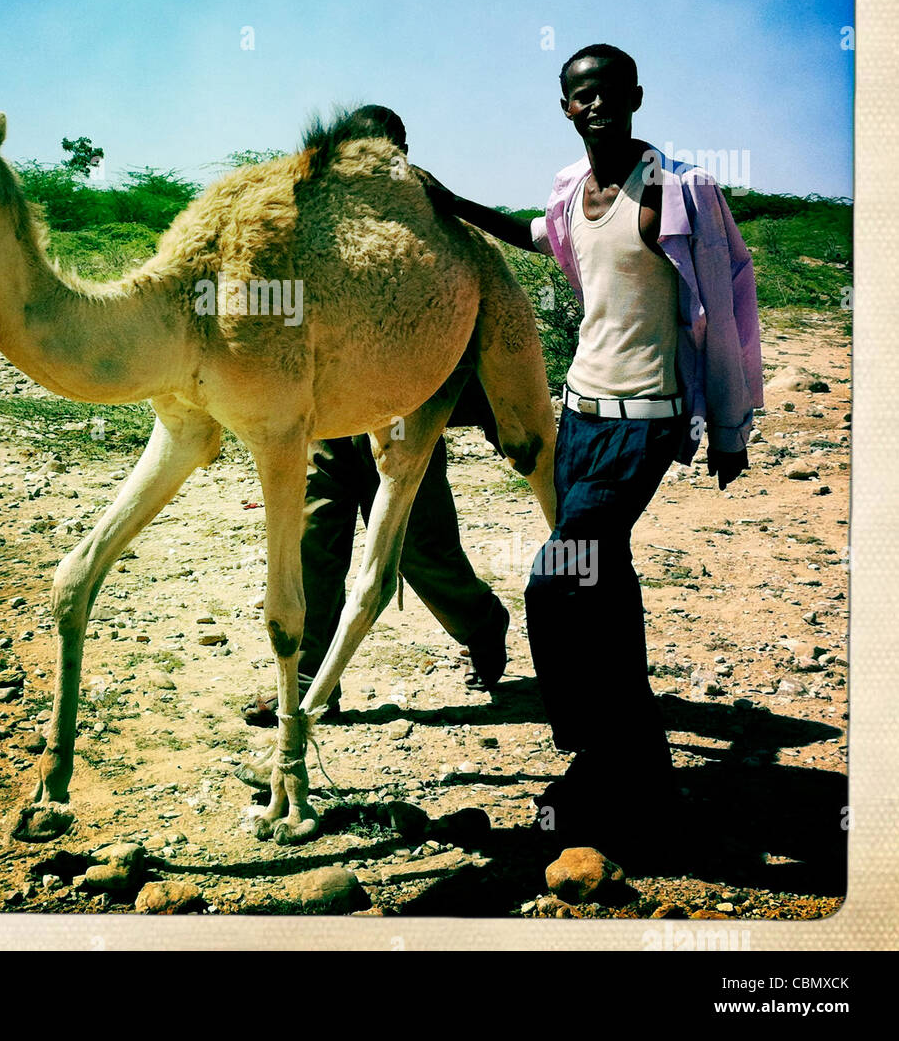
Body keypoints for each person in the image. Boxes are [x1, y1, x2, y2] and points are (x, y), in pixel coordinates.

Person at [423, 44, 764, 852]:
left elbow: (729, 297)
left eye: (611, 89)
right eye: (583, 94)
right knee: (605, 588)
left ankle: (595, 754)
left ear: (636, 95)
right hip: (578, 415)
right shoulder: (575, 193)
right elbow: (537, 236)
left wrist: (728, 424)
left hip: (644, 422)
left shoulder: (680, 192)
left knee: (557, 579)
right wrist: (453, 204)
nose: (598, 103)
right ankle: (639, 768)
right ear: (566, 108)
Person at [240, 106, 513, 745]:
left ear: (403, 149)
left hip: (404, 420)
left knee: (424, 553)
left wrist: (495, 415)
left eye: (387, 147)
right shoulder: (313, 212)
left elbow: (462, 309)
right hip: (329, 419)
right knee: (313, 537)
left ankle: (482, 625)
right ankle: (312, 684)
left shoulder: (426, 215)